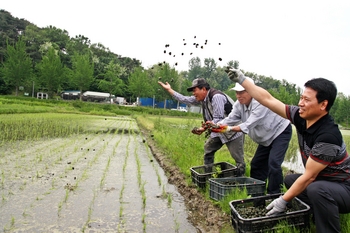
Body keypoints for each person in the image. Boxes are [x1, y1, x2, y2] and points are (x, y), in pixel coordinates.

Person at [226, 67, 350, 233]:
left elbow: (310, 176)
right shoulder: (301, 116)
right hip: (325, 182)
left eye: (306, 100)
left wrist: (282, 200)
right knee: (291, 180)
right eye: (301, 97)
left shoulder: (328, 136)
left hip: (344, 188)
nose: (300, 103)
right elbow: (268, 99)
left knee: (315, 189)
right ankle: (314, 214)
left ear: (323, 104)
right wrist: (242, 79)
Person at [210, 77, 292, 195]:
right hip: (265, 138)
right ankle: (256, 194)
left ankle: (275, 195)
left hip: (279, 132)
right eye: (237, 92)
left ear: (251, 90)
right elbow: (231, 119)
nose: (238, 95)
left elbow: (249, 124)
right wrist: (216, 125)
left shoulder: (260, 102)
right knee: (256, 164)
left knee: (274, 163)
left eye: (242, 92)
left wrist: (228, 129)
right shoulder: (239, 104)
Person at [158, 77, 246, 176]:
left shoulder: (216, 96)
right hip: (218, 131)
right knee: (208, 149)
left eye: (194, 90)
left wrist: (203, 128)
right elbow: (185, 99)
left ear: (203, 89)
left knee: (238, 158)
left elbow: (218, 119)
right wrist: (169, 89)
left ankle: (240, 181)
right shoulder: (202, 99)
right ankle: (208, 177)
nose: (193, 93)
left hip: (233, 131)